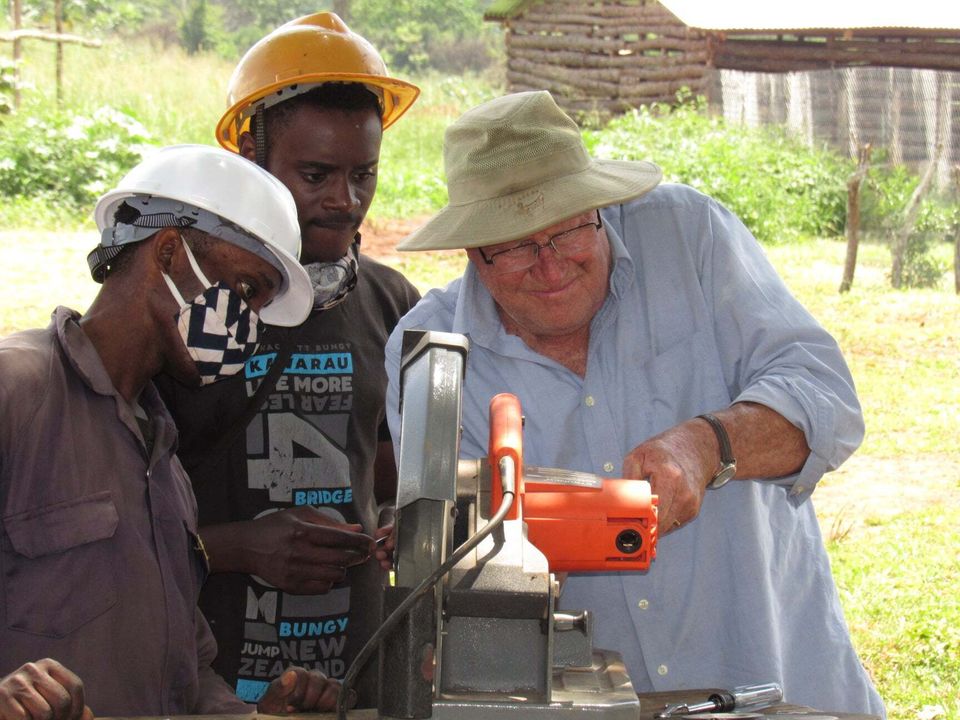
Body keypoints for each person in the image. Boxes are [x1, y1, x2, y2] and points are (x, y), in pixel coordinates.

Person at [384, 91, 885, 717]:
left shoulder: (689, 237)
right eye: (512, 245)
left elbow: (826, 400)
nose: (549, 265)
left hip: (771, 676)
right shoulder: (433, 354)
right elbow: (451, 557)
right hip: (581, 701)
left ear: (598, 207)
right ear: (469, 249)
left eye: (568, 227)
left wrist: (708, 445)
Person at [0, 144, 345, 718]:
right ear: (168, 251)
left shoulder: (162, 457)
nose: (248, 327)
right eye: (244, 291)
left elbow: (183, 673)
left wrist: (253, 717)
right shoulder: (19, 390)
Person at [154, 13, 421, 706]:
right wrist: (238, 546)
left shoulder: (393, 303)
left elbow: (389, 459)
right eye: (315, 174)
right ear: (250, 156)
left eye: (364, 174)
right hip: (207, 664)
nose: (346, 200)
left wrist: (396, 520)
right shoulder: (187, 305)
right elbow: (123, 514)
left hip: (351, 663)